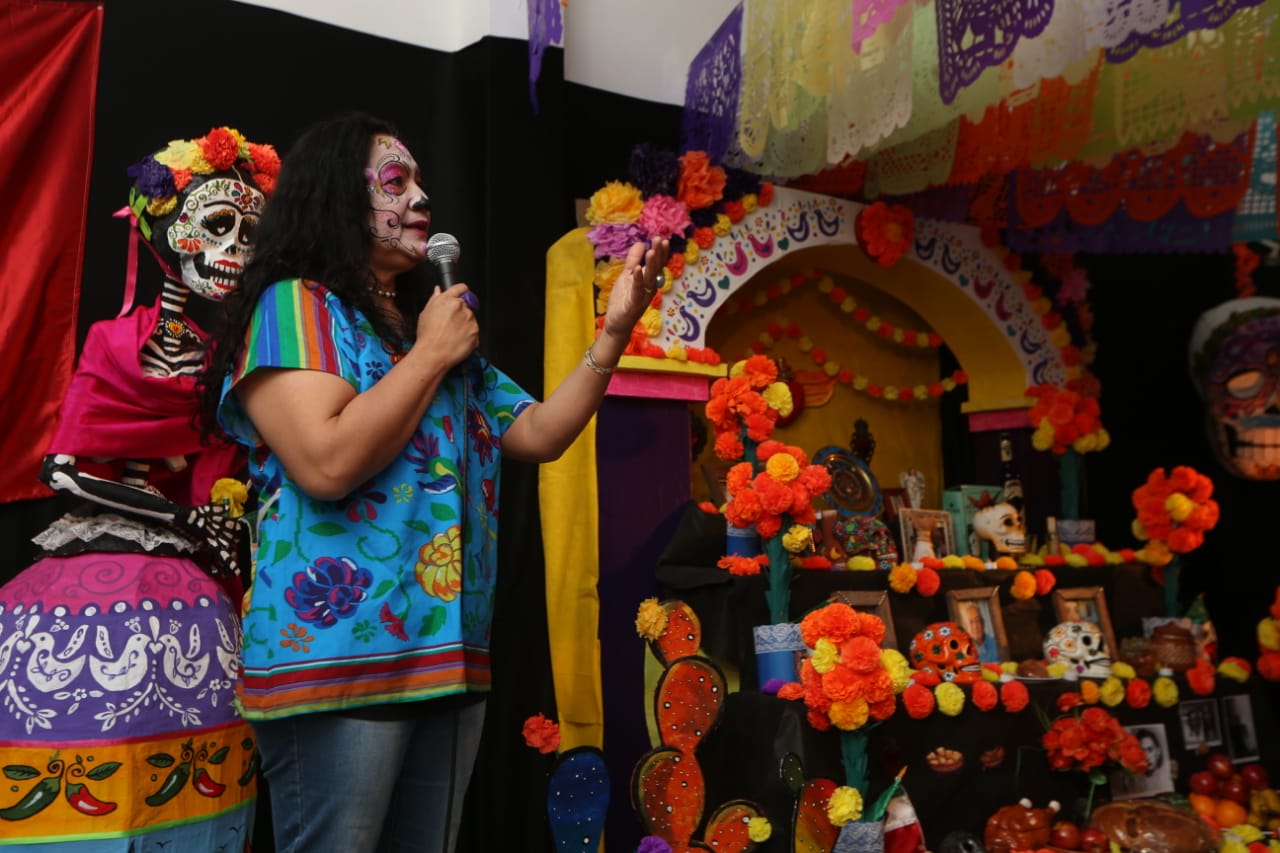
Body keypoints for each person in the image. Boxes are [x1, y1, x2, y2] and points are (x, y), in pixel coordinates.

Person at [194, 111, 669, 853]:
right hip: (339, 659)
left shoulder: (428, 333)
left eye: (420, 182)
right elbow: (326, 462)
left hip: (446, 661)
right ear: (334, 200)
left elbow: (541, 432)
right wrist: (428, 354)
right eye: (395, 181)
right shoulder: (295, 307)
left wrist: (612, 335)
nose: (421, 199)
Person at [0, 128, 277, 849]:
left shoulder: (232, 361)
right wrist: (179, 517)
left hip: (195, 583)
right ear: (167, 232)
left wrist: (211, 524)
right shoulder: (114, 342)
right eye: (219, 226)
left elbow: (229, 468)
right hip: (102, 559)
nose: (235, 249)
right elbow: (62, 469)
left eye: (250, 232)